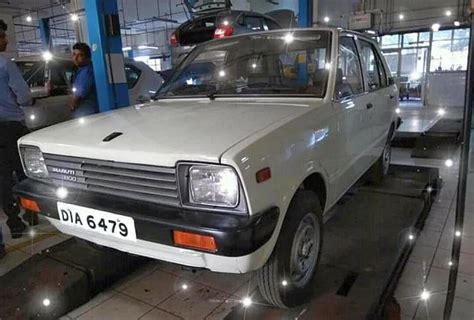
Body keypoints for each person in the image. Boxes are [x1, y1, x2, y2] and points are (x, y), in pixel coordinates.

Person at [0, 19, 32, 238]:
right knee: (25, 172)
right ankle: (31, 212)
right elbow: (25, 96)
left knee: (2, 178)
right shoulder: (5, 64)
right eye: (2, 35)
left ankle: (14, 222)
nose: (6, 39)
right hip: (12, 128)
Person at [70, 42, 99, 118]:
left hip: (87, 113)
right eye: (74, 54)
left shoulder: (87, 72)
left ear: (87, 57)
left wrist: (72, 105)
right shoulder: (80, 71)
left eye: (80, 55)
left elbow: (78, 95)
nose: (75, 58)